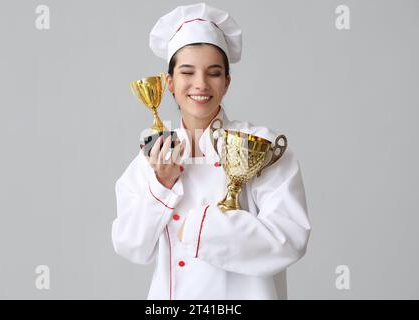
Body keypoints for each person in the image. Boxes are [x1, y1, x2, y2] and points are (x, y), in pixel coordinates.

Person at [112, 2, 311, 300]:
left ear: (227, 82)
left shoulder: (259, 145)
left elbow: (289, 237)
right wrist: (161, 187)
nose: (200, 84)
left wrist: (198, 228)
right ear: (170, 82)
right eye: (187, 72)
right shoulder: (156, 152)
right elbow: (131, 245)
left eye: (214, 73)